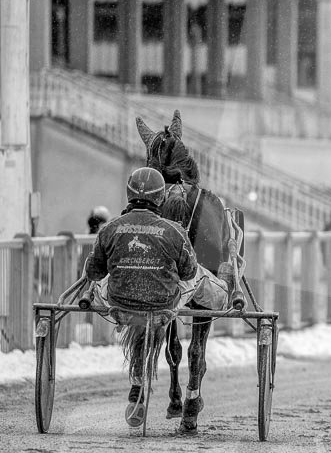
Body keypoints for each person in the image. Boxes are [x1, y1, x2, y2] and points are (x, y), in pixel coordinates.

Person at [83, 167, 230, 426]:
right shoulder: (174, 232)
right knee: (204, 282)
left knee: (100, 284)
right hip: (163, 306)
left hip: (119, 307)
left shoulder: (109, 229)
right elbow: (188, 271)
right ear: (161, 197)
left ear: (129, 195)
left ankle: (137, 385)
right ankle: (225, 291)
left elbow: (93, 271)